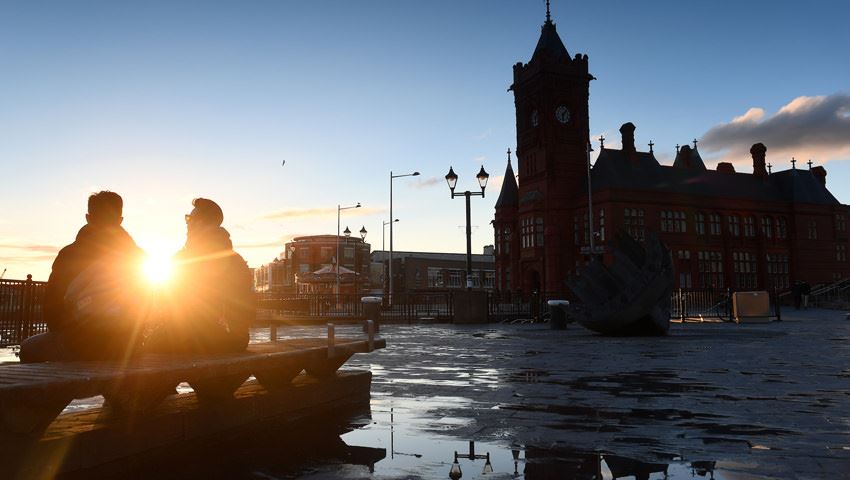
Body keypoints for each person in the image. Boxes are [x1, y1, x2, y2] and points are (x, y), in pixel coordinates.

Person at [20, 191, 145, 362]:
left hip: (80, 345)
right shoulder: (138, 257)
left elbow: (52, 308)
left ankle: (60, 388)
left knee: (29, 348)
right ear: (120, 220)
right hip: (126, 346)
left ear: (88, 217)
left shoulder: (70, 254)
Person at [146, 198, 254, 354]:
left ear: (203, 223)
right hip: (231, 338)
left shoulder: (185, 258)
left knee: (146, 348)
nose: (186, 223)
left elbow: (167, 302)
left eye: (190, 219)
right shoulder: (235, 259)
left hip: (206, 337)